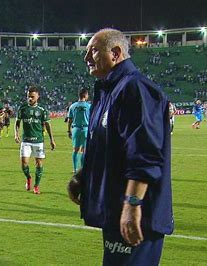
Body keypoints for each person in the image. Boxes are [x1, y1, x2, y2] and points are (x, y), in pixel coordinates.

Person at [68, 28, 173, 265]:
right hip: (116, 209)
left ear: (115, 53)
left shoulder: (134, 89)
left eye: (93, 51)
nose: (86, 59)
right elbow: (110, 151)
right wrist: (84, 178)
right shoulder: (109, 91)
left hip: (137, 216)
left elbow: (144, 153)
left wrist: (133, 204)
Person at [15, 86, 56, 194]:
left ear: (38, 96)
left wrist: (52, 139)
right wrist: (16, 134)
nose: (30, 98)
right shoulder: (23, 108)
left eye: (32, 96)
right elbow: (17, 122)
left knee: (39, 164)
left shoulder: (42, 110)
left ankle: (36, 186)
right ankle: (28, 178)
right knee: (24, 163)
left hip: (38, 141)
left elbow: (47, 125)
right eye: (28, 96)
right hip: (26, 141)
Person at [67, 88, 91, 173]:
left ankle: (74, 169)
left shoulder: (72, 106)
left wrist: (68, 131)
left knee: (75, 150)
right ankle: (82, 169)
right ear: (85, 95)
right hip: (85, 129)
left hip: (76, 129)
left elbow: (69, 120)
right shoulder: (89, 106)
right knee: (83, 150)